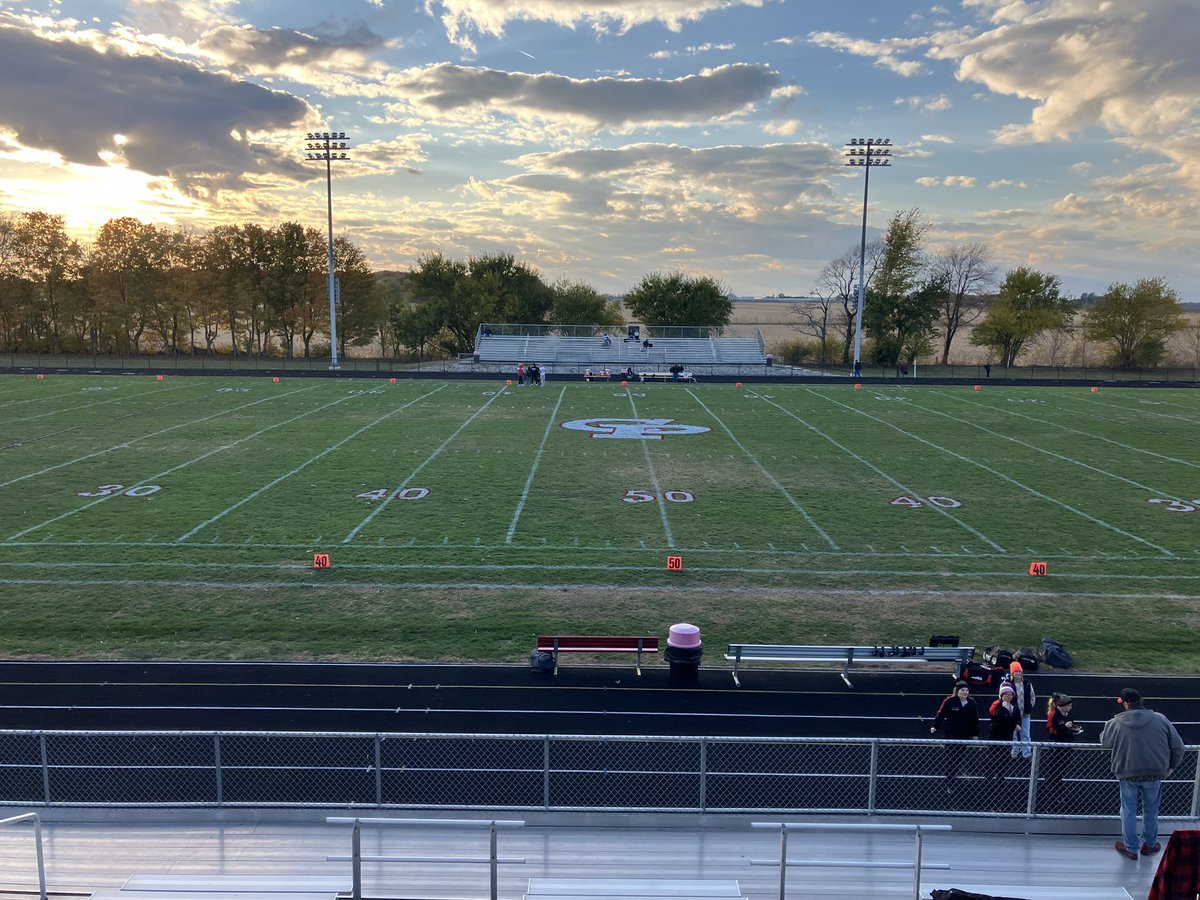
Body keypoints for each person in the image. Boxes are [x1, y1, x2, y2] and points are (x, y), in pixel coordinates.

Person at [1100, 687, 1185, 861]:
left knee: (1128, 811)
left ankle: (1131, 848)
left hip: (1127, 773)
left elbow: (1105, 742)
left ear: (1125, 704)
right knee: (1151, 810)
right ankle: (1150, 844)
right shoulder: (1160, 719)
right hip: (1155, 773)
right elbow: (1179, 747)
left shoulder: (1115, 722)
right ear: (1141, 701)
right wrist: (1171, 767)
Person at [930, 681, 980, 792]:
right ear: (957, 691)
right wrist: (935, 726)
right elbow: (941, 714)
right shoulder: (950, 701)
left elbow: (975, 720)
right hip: (951, 735)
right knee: (951, 758)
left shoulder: (971, 703)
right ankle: (950, 782)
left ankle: (952, 777)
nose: (965, 692)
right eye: (962, 690)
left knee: (958, 758)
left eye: (966, 690)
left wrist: (975, 733)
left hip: (964, 736)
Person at [1042, 692, 1081, 808]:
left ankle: (1056, 792)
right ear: (1061, 706)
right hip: (1057, 746)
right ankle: (1050, 794)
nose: (1071, 707)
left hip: (1067, 745)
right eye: (1069, 705)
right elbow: (1051, 730)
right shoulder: (1054, 714)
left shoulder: (1068, 715)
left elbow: (1070, 727)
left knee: (1061, 770)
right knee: (1055, 770)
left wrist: (1073, 728)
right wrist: (1064, 727)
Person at [988, 683, 1022, 782]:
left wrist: (1017, 724)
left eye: (1010, 694)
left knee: (1005, 757)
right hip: (997, 735)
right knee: (994, 756)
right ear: (1002, 695)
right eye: (1006, 694)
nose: (1009, 696)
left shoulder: (1014, 708)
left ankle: (1000, 775)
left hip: (1008, 735)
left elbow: (1017, 719)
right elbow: (995, 718)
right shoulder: (997, 707)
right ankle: (989, 774)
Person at [1004, 661, 1036, 760]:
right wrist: (1008, 709)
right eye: (1015, 671)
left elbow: (1032, 696)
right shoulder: (1008, 684)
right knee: (1013, 733)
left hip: (1025, 713)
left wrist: (1030, 707)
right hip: (1012, 713)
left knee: (1026, 733)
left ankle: (1027, 753)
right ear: (1012, 673)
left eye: (1019, 671)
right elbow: (1003, 697)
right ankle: (1014, 751)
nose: (1018, 673)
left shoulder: (1027, 683)